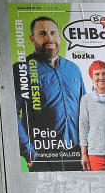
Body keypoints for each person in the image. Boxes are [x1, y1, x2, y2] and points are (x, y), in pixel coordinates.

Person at [13, 16, 86, 170]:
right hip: (45, 157)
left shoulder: (73, 69)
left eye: (53, 33)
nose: (49, 38)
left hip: (78, 155)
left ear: (59, 36)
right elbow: (10, 114)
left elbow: (86, 110)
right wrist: (30, 154)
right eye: (43, 33)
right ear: (32, 39)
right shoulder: (22, 69)